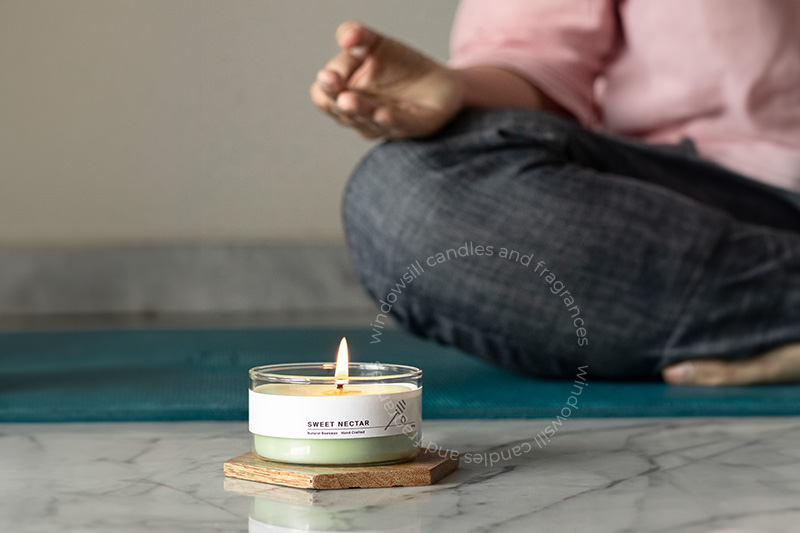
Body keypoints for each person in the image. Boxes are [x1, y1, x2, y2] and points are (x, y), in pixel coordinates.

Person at [310, 0, 800, 386]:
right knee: (402, 197)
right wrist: (455, 89)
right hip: (697, 202)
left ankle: (756, 322)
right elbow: (535, 59)